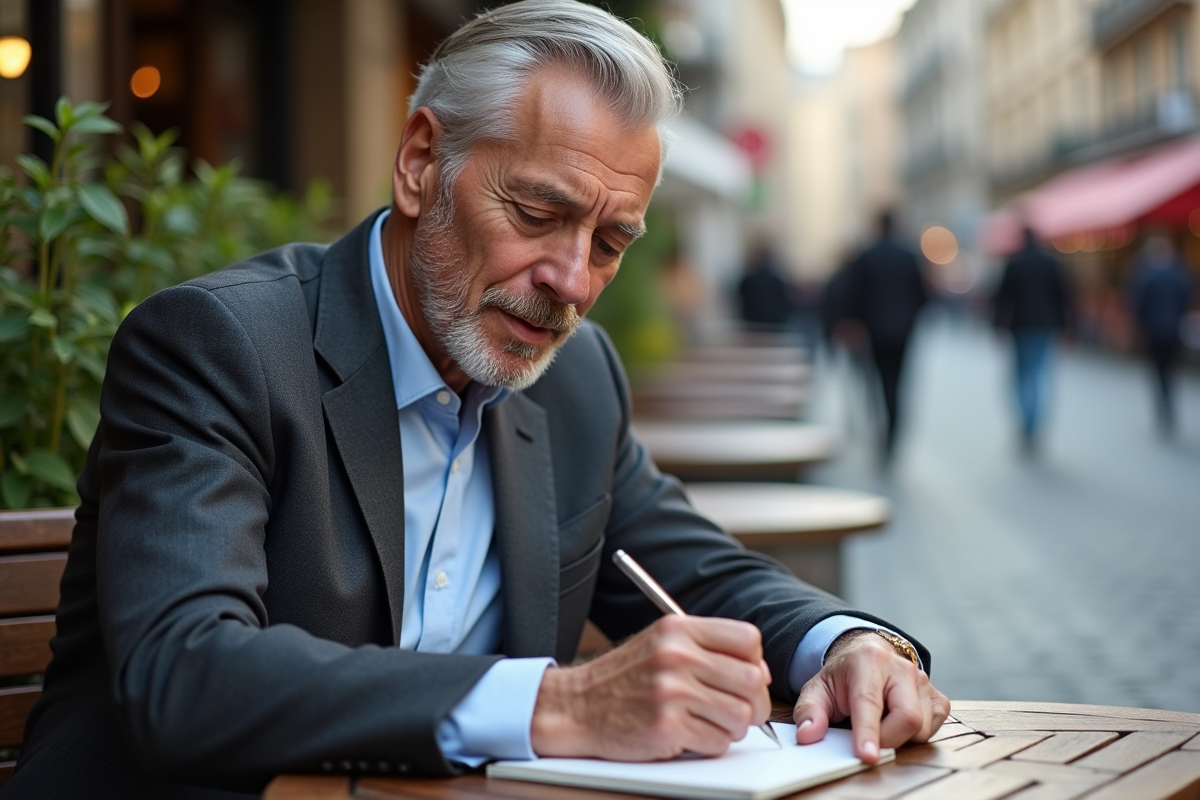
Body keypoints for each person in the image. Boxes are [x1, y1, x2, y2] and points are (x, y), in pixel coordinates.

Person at [7, 3, 948, 798]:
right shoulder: (220, 346)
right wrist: (562, 705)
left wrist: (848, 642)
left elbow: (700, 572)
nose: (573, 281)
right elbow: (184, 674)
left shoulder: (577, 378)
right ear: (421, 162)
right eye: (538, 214)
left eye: (612, 242)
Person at [842, 210, 929, 461]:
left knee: (879, 382)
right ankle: (893, 431)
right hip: (903, 331)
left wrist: (855, 323)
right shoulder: (909, 256)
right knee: (898, 383)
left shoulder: (867, 256)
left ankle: (883, 428)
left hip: (876, 330)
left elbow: (854, 295)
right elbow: (922, 295)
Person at [992, 225, 1072, 452]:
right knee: (1038, 376)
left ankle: (1027, 423)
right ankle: (1034, 423)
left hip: (1021, 326)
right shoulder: (1051, 262)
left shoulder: (1014, 263)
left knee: (1022, 377)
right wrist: (1067, 328)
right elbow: (1064, 296)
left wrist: (997, 326)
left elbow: (1002, 298)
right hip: (1046, 326)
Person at [1128, 234, 1194, 435]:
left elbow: (1138, 304)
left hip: (1154, 331)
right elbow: (1188, 299)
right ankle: (1170, 406)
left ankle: (1162, 409)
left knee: (1158, 372)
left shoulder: (1147, 275)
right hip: (1174, 330)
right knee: (1171, 371)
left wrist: (1139, 326)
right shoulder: (1180, 273)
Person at [737, 243, 795, 330]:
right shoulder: (777, 280)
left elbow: (741, 298)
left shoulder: (748, 279)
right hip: (774, 323)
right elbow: (785, 301)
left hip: (753, 322)